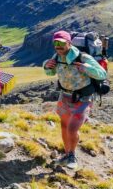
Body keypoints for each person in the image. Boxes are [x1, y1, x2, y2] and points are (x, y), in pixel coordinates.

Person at [43, 30, 107, 169]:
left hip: (83, 98)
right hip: (65, 96)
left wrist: (87, 68)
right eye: (55, 43)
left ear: (69, 43)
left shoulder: (82, 57)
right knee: (64, 126)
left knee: (72, 128)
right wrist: (46, 66)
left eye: (61, 43)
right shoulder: (57, 56)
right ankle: (67, 155)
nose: (58, 46)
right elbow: (50, 72)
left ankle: (72, 156)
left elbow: (102, 74)